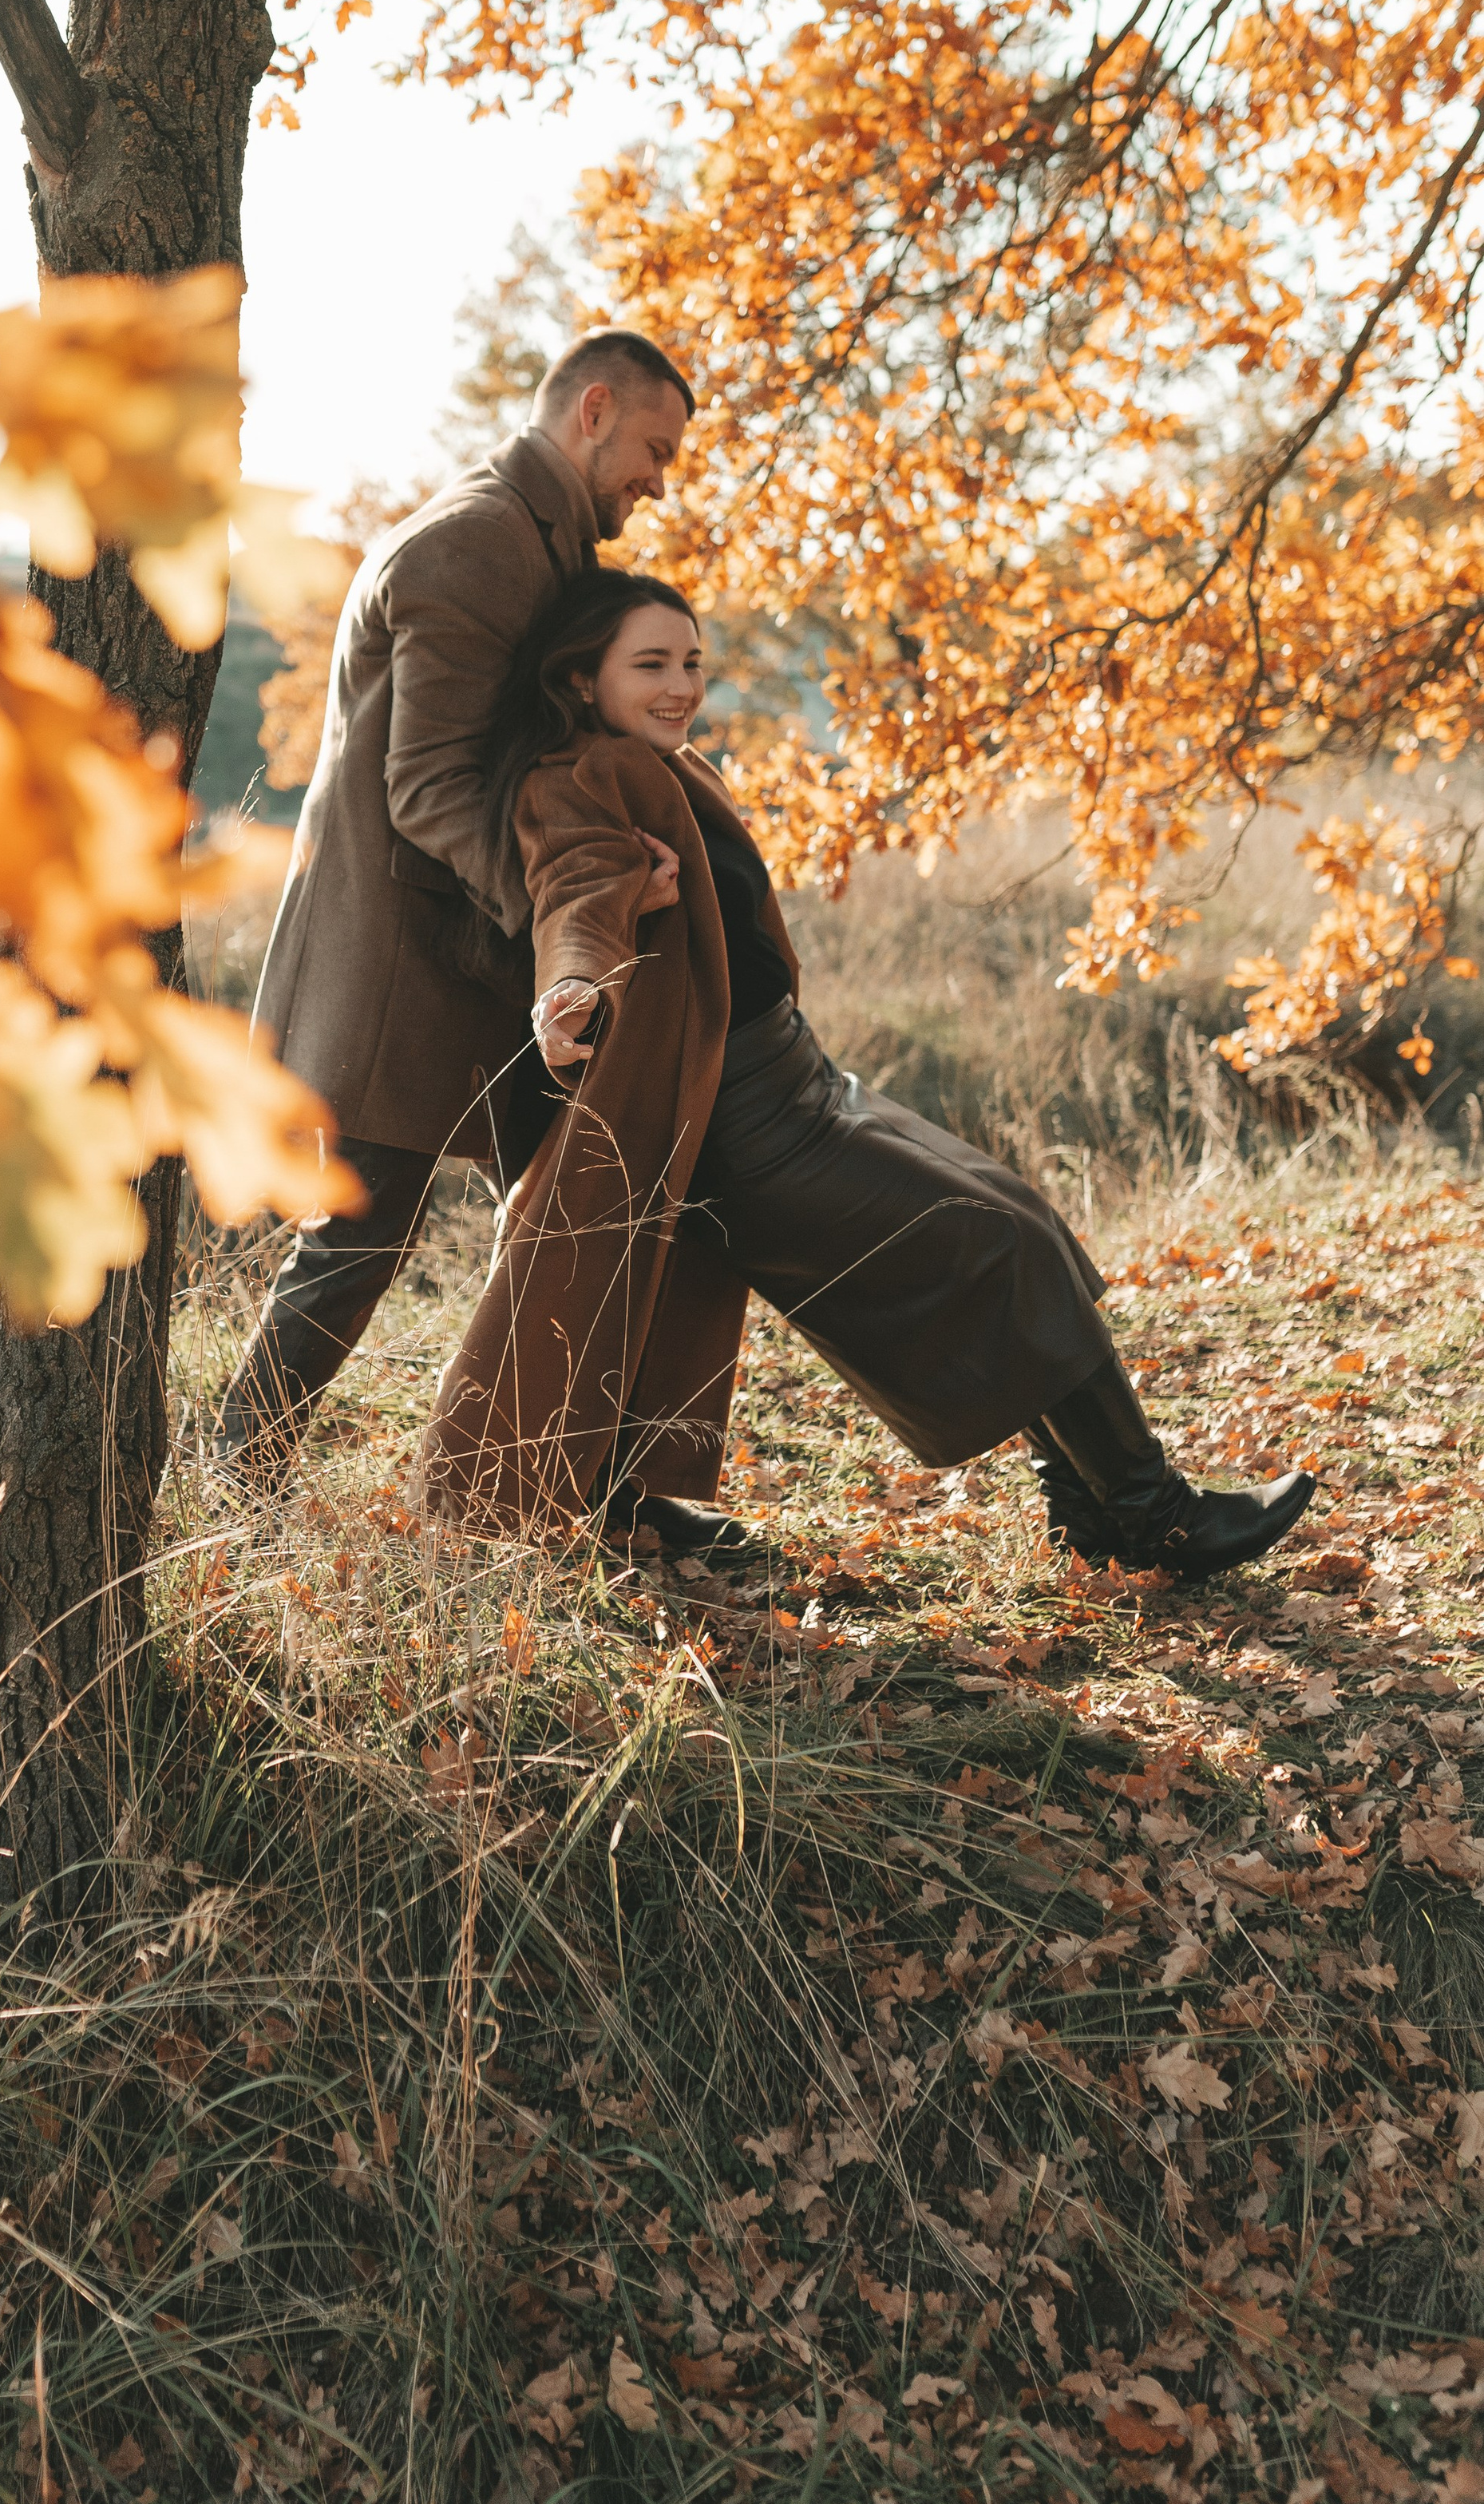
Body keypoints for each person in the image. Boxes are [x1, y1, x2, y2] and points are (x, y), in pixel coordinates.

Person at [417, 570, 1320, 1577]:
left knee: (1016, 1217)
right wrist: (572, 985)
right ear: (581, 679)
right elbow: (574, 886)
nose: (681, 685)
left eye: (693, 662)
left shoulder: (669, 762)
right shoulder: (579, 775)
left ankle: (1088, 1507)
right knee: (996, 1248)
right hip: (741, 1122)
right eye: (651, 664)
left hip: (800, 1079)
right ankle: (1157, 1516)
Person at [215, 331, 696, 1487]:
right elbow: (428, 787)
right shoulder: (477, 541)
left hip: (480, 955)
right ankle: (234, 1473)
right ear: (592, 409)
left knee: (587, 1203)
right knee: (361, 1236)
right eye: (655, 449)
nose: (659, 482)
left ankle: (588, 1485)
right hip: (404, 968)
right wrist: (574, 914)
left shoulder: (541, 538)